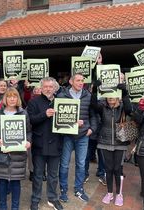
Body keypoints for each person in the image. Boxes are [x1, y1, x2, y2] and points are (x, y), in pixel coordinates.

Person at [0, 87, 32, 210]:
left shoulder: (23, 113)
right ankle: (3, 207)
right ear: (5, 98)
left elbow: (28, 132)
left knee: (16, 183)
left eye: (14, 96)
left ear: (18, 98)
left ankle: (15, 208)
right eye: (9, 96)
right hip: (1, 154)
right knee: (2, 183)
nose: (12, 99)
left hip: (18, 154)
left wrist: (28, 141)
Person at [91, 82, 133, 206]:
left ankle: (119, 194)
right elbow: (93, 105)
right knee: (108, 169)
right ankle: (109, 193)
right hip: (105, 142)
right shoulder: (102, 107)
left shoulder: (122, 108)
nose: (110, 98)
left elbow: (129, 109)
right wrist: (94, 90)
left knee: (117, 169)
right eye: (108, 96)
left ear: (117, 97)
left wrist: (125, 93)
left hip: (120, 142)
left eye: (113, 96)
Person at [57, 74, 97, 203]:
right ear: (71, 81)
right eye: (78, 80)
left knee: (80, 164)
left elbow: (93, 115)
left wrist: (92, 128)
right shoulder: (62, 96)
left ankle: (79, 189)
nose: (81, 83)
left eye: (82, 81)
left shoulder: (88, 96)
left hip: (83, 136)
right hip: (67, 136)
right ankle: (63, 190)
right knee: (64, 164)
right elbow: (58, 117)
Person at [27, 77, 63, 210]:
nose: (48, 89)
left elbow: (66, 121)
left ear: (54, 88)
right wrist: (44, 114)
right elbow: (30, 120)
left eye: (50, 87)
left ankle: (53, 198)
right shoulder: (33, 102)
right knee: (37, 174)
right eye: (45, 86)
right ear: (41, 88)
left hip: (56, 144)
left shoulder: (61, 102)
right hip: (39, 144)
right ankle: (35, 199)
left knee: (53, 175)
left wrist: (73, 123)